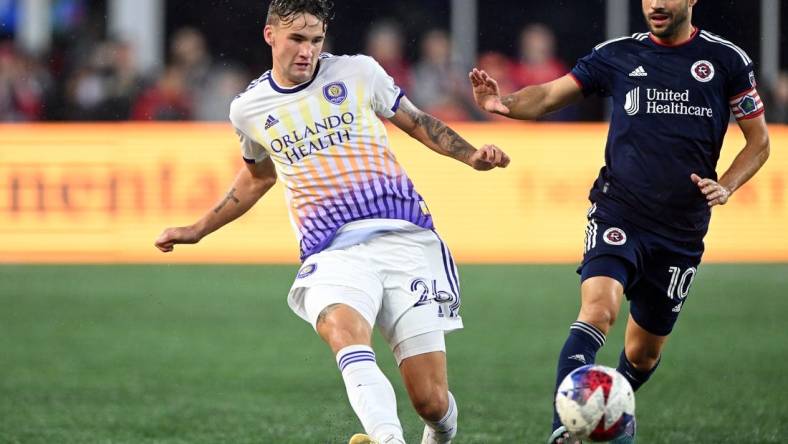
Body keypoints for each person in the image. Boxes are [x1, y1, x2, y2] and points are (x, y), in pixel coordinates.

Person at [155, 1, 510, 443]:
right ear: (271, 36)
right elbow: (259, 175)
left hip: (405, 237)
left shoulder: (358, 72)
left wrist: (471, 155)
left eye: (316, 40)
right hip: (332, 250)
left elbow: (417, 122)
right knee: (343, 331)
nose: (307, 51)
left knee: (431, 401)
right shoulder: (248, 109)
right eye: (297, 39)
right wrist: (198, 228)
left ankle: (439, 433)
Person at [468, 0, 770, 443]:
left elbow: (759, 142)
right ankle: (564, 432)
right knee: (598, 310)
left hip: (682, 231)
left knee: (642, 355)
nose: (657, 4)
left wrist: (725, 185)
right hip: (619, 210)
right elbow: (551, 95)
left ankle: (614, 409)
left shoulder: (727, 60)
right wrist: (502, 103)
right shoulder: (617, 54)